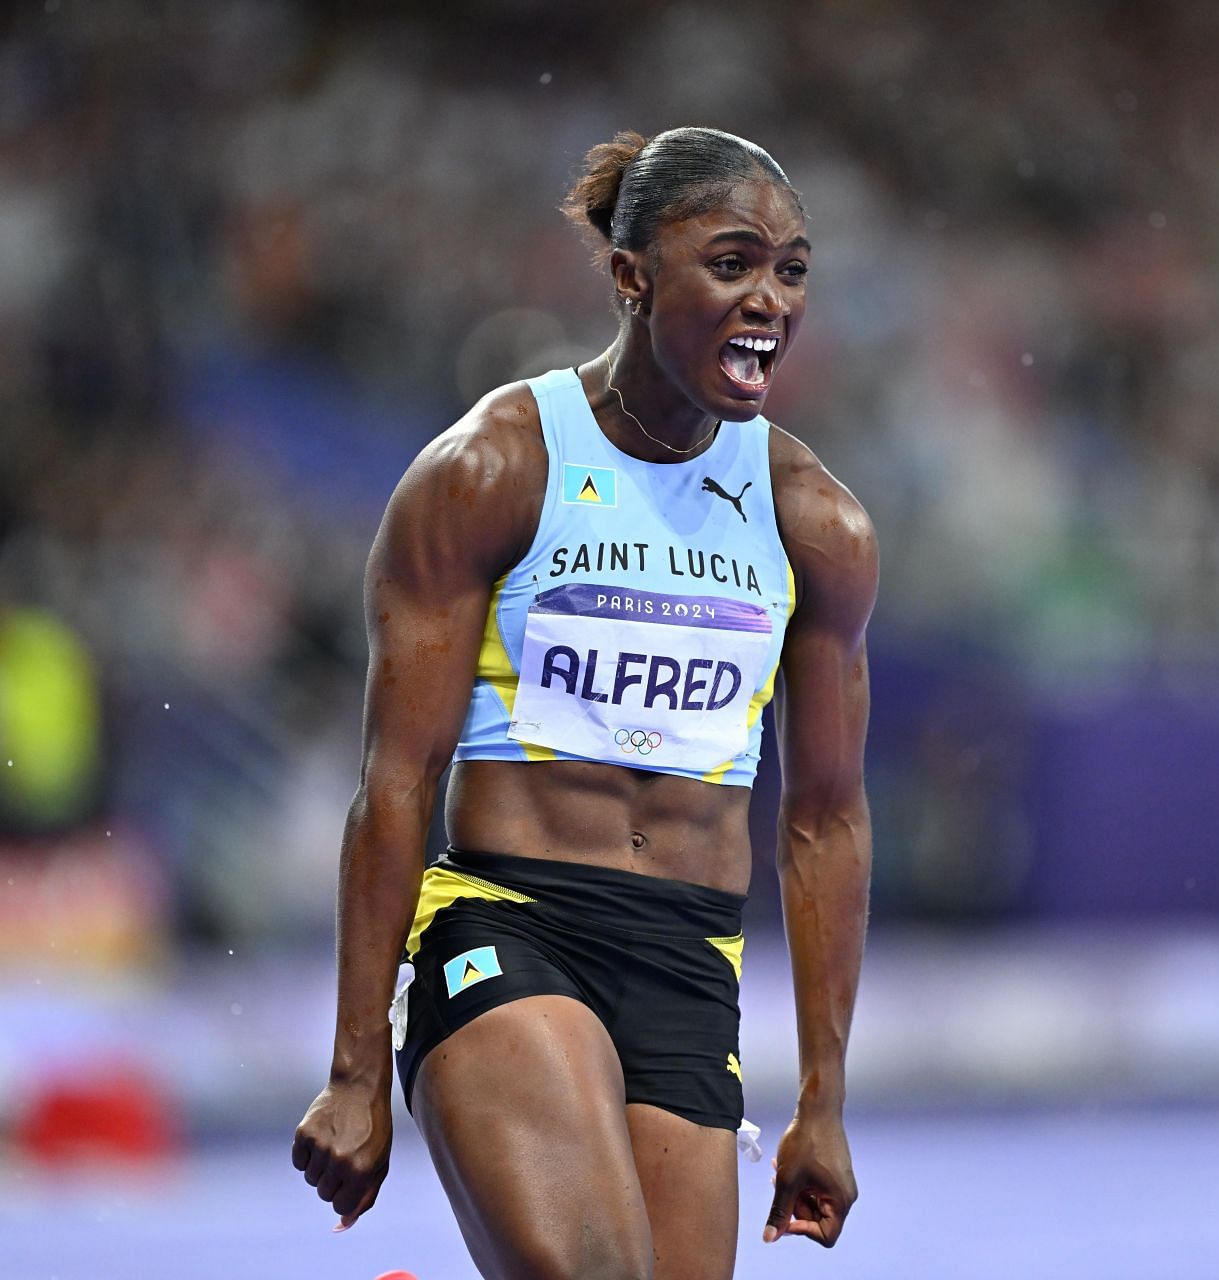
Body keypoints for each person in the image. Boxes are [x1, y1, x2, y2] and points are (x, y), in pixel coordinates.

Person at [290, 127, 876, 1280]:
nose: (768, 299)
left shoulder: (818, 524)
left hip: (688, 965)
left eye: (792, 269)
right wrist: (358, 1063)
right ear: (631, 275)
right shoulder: (495, 468)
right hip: (511, 922)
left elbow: (826, 820)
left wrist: (825, 1097)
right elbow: (397, 776)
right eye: (733, 262)